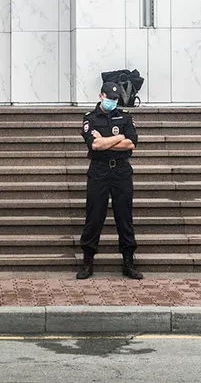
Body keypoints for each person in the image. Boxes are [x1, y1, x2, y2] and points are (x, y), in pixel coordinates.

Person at [77, 82, 142, 280]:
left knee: (124, 216)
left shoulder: (125, 117)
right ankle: (87, 261)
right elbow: (94, 145)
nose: (112, 102)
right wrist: (118, 137)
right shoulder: (90, 118)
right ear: (101, 96)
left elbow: (131, 143)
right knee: (94, 215)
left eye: (115, 99)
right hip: (99, 170)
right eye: (109, 98)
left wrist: (106, 141)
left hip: (121, 170)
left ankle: (128, 261)